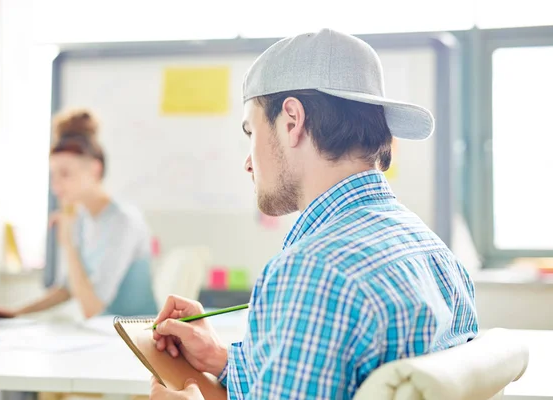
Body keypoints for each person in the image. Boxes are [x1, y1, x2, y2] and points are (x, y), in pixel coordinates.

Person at [149, 29, 478, 399]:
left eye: (251, 132)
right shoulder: (436, 255)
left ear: (292, 120)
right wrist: (223, 360)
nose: (248, 162)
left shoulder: (314, 271)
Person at [0, 109, 158, 319]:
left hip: (135, 336)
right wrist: (16, 313)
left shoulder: (124, 221)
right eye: (53, 175)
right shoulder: (82, 219)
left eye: (65, 174)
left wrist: (68, 242)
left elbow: (93, 308)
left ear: (95, 170)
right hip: (103, 334)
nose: (56, 186)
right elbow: (68, 288)